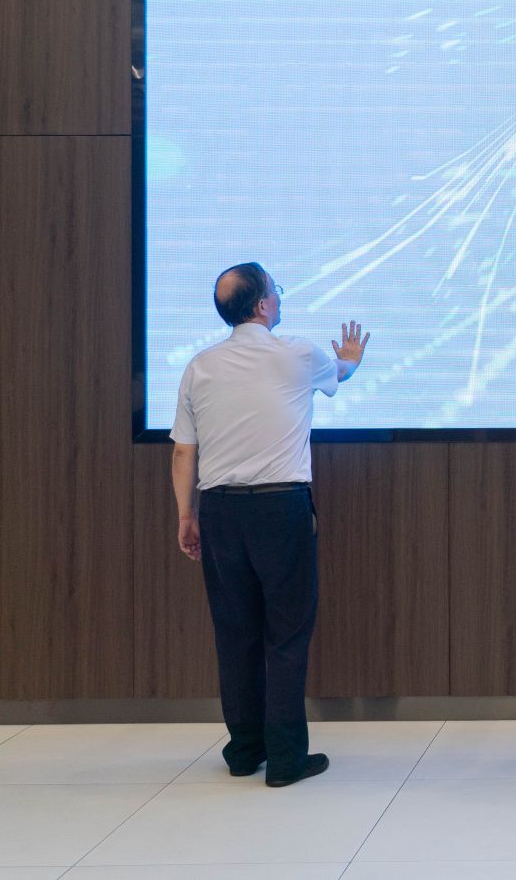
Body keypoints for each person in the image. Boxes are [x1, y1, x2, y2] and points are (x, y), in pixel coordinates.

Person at [170, 262, 368, 788]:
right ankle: (285, 759)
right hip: (281, 509)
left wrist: (187, 515)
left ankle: (244, 750)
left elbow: (183, 452)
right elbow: (340, 375)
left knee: (235, 634)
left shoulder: (199, 366)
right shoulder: (297, 353)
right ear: (262, 305)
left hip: (219, 510)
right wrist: (350, 359)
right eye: (275, 292)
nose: (279, 298)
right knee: (286, 633)